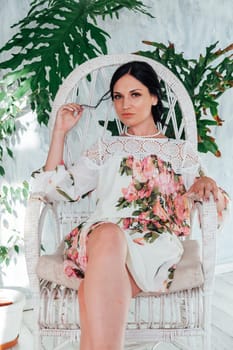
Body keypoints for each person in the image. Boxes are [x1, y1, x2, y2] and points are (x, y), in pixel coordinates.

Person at [31, 61, 229, 350]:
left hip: (153, 242)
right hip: (101, 237)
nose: (125, 104)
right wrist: (59, 133)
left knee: (95, 288)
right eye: (117, 96)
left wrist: (206, 180)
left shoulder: (179, 152)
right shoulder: (106, 148)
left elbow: (212, 198)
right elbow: (54, 189)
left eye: (135, 94)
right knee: (110, 233)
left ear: (154, 97)